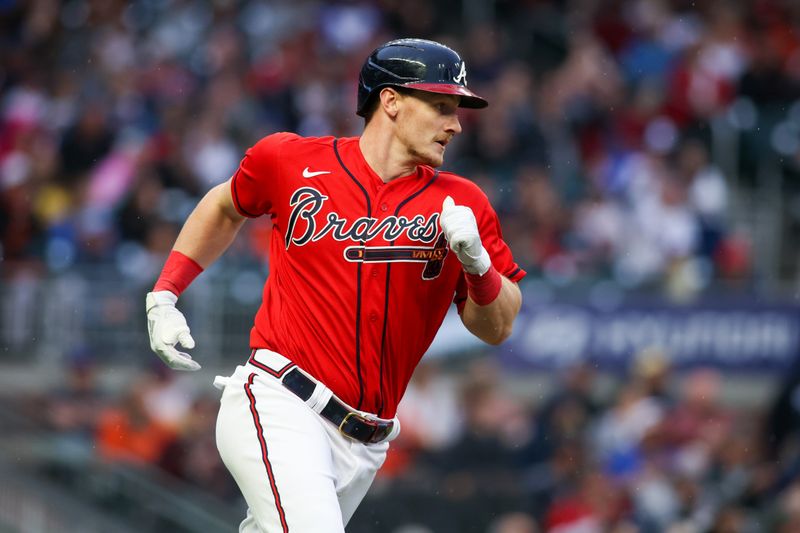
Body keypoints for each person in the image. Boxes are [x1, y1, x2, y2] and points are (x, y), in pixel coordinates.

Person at [145, 38, 526, 532]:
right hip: (283, 400)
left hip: (367, 444)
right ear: (390, 101)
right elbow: (224, 205)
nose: (454, 123)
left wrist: (478, 266)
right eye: (440, 106)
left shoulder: (464, 202)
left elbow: (499, 326)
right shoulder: (291, 161)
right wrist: (165, 293)